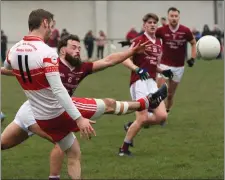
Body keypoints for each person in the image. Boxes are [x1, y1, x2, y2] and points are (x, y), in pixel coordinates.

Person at [1, 33, 167, 179]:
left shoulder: (81, 68)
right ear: (62, 50)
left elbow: (108, 60)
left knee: (5, 144)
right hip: (35, 112)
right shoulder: (52, 63)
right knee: (66, 142)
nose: (78, 50)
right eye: (73, 47)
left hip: (47, 111)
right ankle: (145, 102)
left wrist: (130, 52)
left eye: (79, 47)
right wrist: (3, 69)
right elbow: (19, 70)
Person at [3, 9, 96, 180]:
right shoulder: (46, 52)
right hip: (47, 112)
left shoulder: (13, 50)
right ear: (45, 22)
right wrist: (78, 118)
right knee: (70, 148)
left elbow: (7, 68)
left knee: (70, 149)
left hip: (30, 108)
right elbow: (59, 90)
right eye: (52, 25)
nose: (52, 30)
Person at [118, 13, 173, 156]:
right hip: (138, 82)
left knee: (162, 116)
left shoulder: (159, 43)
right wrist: (137, 68)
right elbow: (124, 59)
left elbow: (155, 64)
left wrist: (163, 71)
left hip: (152, 83)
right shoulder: (139, 40)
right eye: (150, 22)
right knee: (142, 118)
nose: (153, 24)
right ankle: (124, 149)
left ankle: (131, 125)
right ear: (144, 25)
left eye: (155, 22)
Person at [155, 7, 197, 114]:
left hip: (179, 67)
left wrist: (192, 58)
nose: (174, 18)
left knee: (170, 95)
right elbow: (148, 36)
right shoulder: (161, 30)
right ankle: (156, 113)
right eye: (171, 16)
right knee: (159, 91)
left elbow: (193, 43)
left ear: (179, 17)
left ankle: (166, 112)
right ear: (168, 17)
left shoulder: (185, 31)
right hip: (164, 65)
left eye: (176, 16)